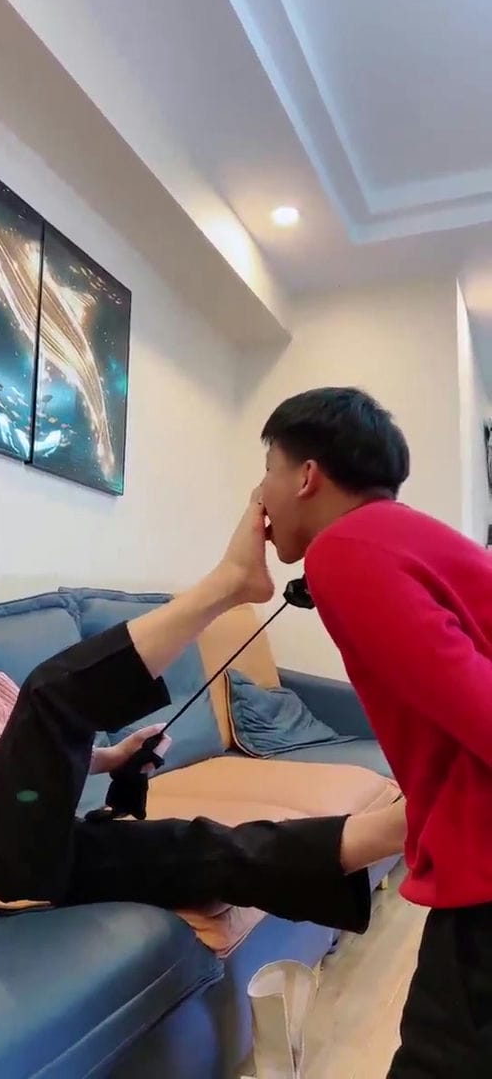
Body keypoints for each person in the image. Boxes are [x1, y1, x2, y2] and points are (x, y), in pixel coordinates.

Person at [0, 506, 404, 933]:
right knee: (49, 693)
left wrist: (111, 758)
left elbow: (19, 761)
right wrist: (22, 750)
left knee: (195, 844)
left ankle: (391, 831)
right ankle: (225, 585)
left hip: (43, 846)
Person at [259, 385, 492, 1078]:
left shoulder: (346, 551)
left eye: (268, 469)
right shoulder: (401, 536)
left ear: (306, 476)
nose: (259, 497)